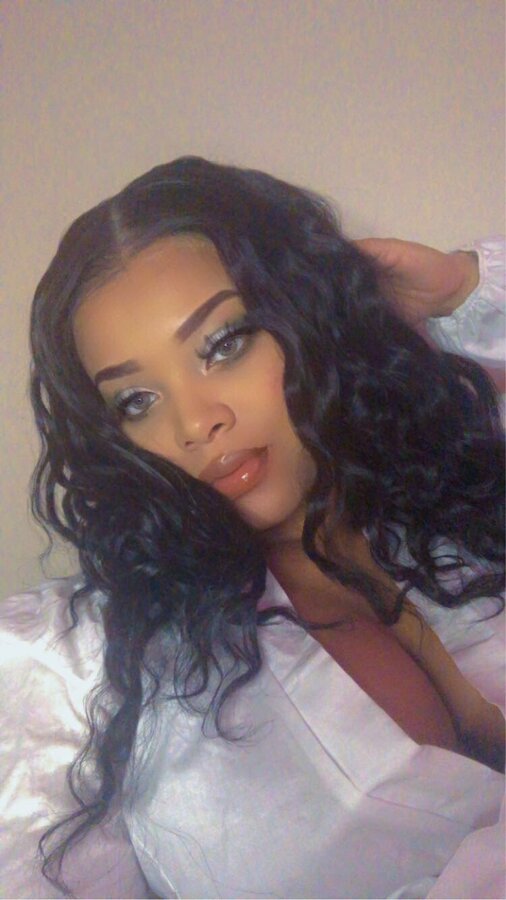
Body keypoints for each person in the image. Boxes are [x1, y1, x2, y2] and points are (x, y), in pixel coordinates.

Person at [1, 157, 504, 900]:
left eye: (224, 345)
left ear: (306, 315)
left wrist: (465, 286)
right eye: (136, 401)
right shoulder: (77, 661)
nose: (195, 422)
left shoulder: (461, 478)